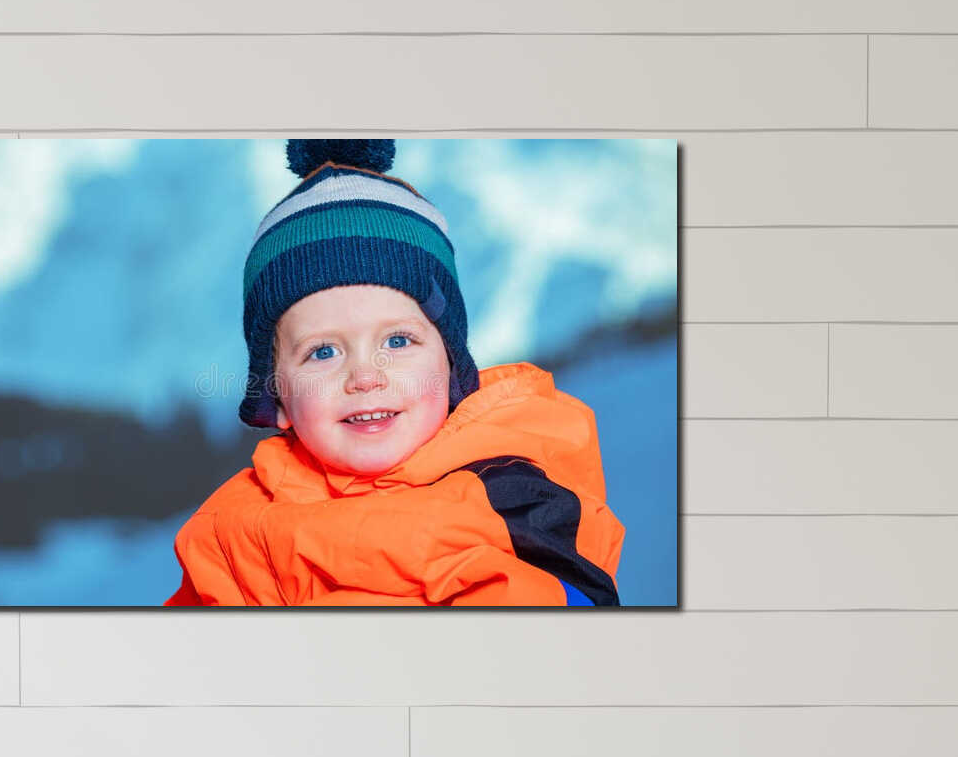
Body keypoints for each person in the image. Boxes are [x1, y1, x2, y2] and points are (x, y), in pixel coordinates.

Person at [165, 140, 624, 607]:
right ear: (278, 396)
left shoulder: (512, 497)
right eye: (323, 352)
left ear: (451, 365)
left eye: (397, 342)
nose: (365, 377)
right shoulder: (235, 531)